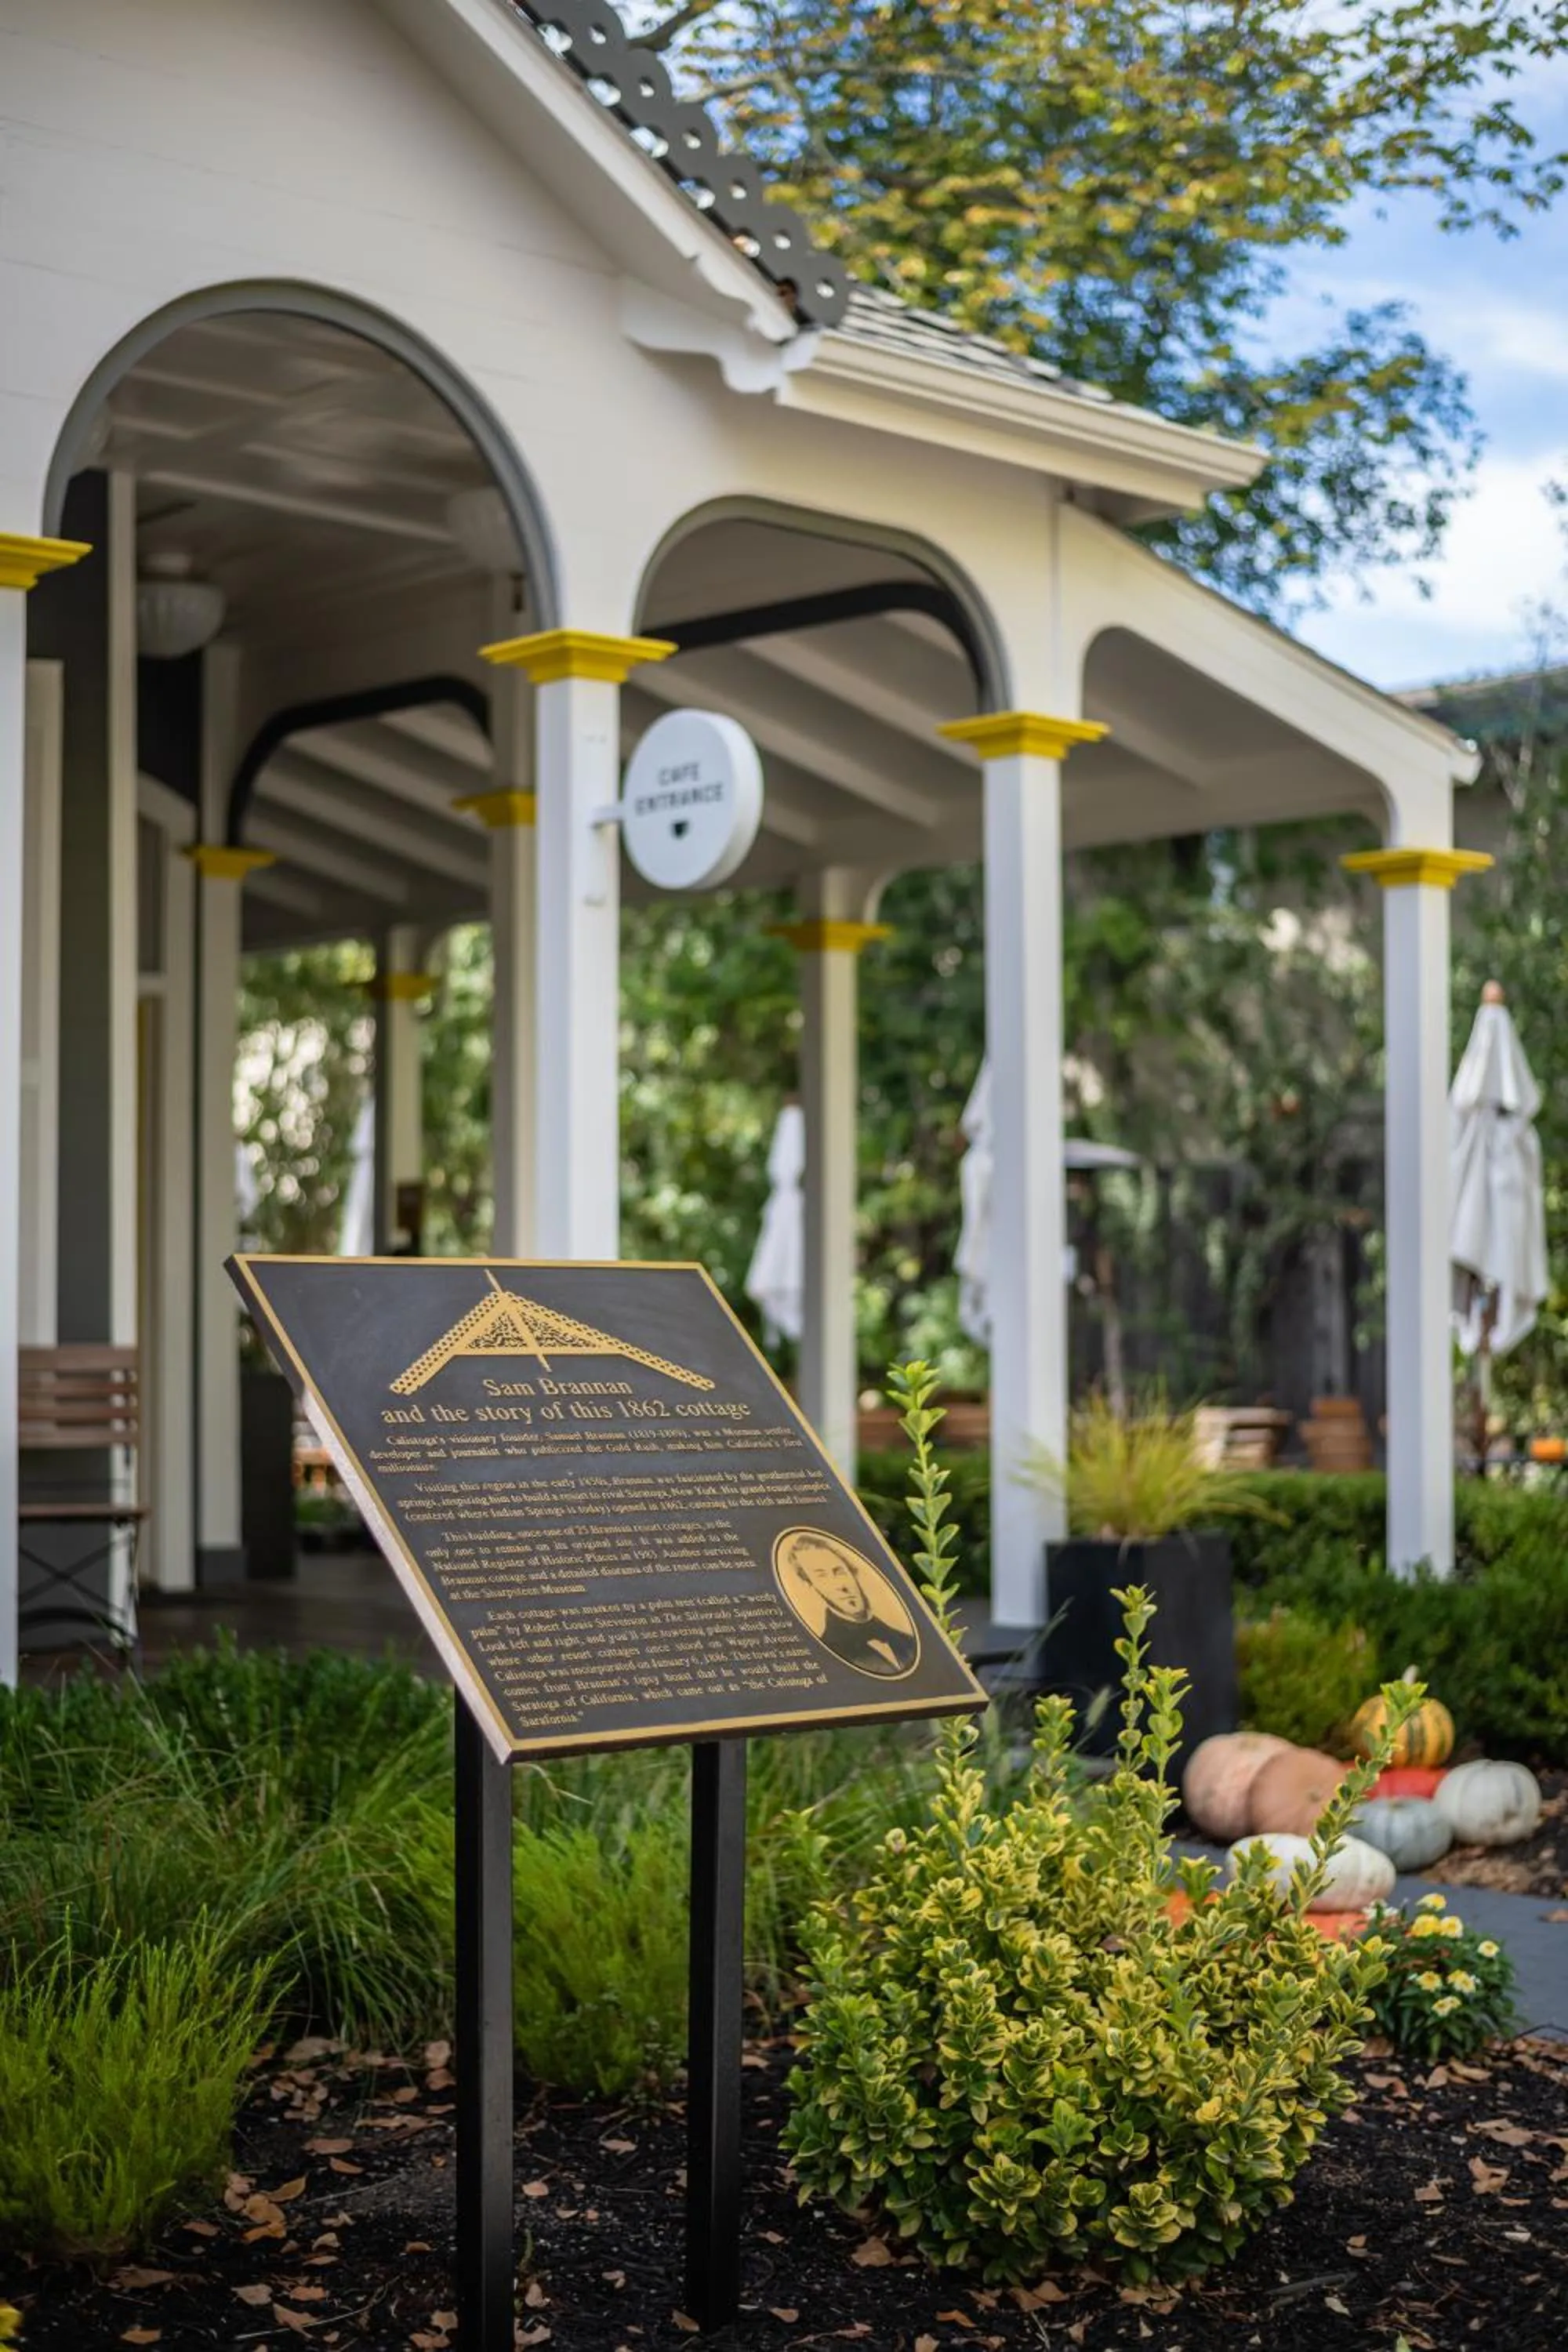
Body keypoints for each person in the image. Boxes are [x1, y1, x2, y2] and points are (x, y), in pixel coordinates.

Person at [778, 1530, 918, 1678]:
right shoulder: (828, 1653)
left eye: (839, 1572)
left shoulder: (907, 1639)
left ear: (853, 1573)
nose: (840, 1586)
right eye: (822, 1576)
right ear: (811, 1585)